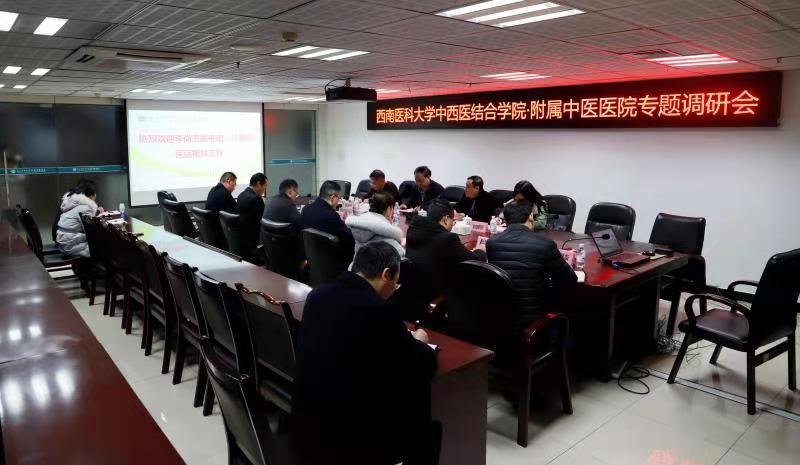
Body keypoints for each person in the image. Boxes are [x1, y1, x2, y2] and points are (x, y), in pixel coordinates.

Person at [293, 242, 438, 465]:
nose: (395, 289)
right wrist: (420, 341)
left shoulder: (318, 295)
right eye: (396, 282)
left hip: (308, 420)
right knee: (422, 412)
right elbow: (421, 364)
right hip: (350, 435)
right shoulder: (378, 311)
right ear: (386, 274)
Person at [487, 200, 577, 329]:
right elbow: (570, 279)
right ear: (530, 216)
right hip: (532, 318)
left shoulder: (492, 243)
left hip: (499, 314)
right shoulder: (544, 244)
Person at [406, 198, 486, 294]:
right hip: (435, 292)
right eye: (453, 221)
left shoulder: (413, 229)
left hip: (413, 288)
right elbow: (475, 261)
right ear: (446, 219)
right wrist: (480, 250)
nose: (453, 224)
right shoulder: (447, 239)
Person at [300, 180, 356, 262]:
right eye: (339, 198)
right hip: (332, 261)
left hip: (311, 257)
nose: (339, 201)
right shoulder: (331, 216)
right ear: (332, 198)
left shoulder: (306, 209)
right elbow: (350, 240)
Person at [345, 191, 404, 257]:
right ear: (389, 209)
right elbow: (402, 254)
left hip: (356, 263)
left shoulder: (357, 226)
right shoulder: (386, 235)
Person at [56, 183, 103, 258]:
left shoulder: (71, 203)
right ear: (91, 196)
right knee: (106, 247)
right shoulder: (86, 208)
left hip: (64, 243)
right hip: (71, 246)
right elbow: (90, 231)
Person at [236, 173, 268, 263]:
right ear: (258, 184)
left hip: (243, 244)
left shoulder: (241, 195)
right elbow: (263, 223)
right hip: (254, 246)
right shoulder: (256, 199)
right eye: (265, 186)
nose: (265, 189)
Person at [53, 178, 96, 242]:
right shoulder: (85, 207)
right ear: (91, 195)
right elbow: (90, 231)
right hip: (71, 242)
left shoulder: (68, 203)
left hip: (61, 239)